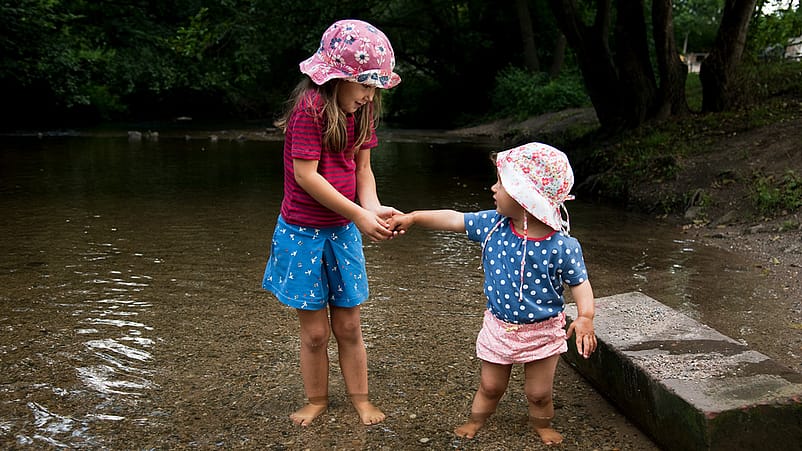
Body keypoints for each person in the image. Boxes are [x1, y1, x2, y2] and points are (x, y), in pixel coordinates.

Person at [389, 142, 597, 444]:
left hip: (544, 330)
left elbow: (581, 285)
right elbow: (452, 218)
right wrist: (415, 217)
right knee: (490, 386)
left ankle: (542, 425)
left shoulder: (563, 246)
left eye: (501, 183)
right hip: (499, 327)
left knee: (538, 394)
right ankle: (475, 422)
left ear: (525, 197)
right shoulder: (493, 225)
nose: (493, 188)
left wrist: (586, 316)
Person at [261, 19, 402, 427]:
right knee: (316, 333)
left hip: (341, 232)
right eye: (364, 85)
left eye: (375, 87)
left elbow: (363, 170)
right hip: (302, 234)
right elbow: (307, 176)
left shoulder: (363, 111)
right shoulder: (310, 110)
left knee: (349, 324)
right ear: (337, 77)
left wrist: (371, 208)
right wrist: (357, 214)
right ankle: (317, 399)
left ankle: (360, 398)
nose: (370, 94)